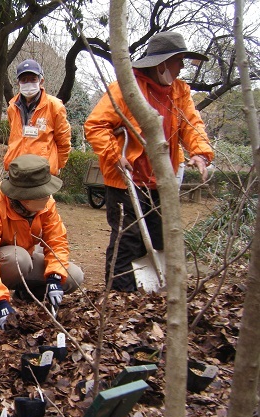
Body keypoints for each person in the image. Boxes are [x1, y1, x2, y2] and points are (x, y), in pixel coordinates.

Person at [84, 31, 214, 292]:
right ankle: (120, 296)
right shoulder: (126, 88)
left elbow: (192, 125)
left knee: (161, 235)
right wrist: (114, 155)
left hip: (161, 180)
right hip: (126, 180)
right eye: (179, 61)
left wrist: (200, 153)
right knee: (128, 237)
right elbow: (96, 125)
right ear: (163, 63)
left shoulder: (180, 91)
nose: (182, 67)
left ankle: (152, 292)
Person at [0, 155, 84, 329]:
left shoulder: (46, 204)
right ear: (25, 198)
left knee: (74, 276)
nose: (49, 197)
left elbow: (57, 241)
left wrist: (55, 277)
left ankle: (25, 296)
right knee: (18, 259)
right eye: (43, 194)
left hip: (24, 258)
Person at [3, 59, 71, 175]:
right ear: (18, 82)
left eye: (33, 79)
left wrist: (56, 165)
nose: (28, 83)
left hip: (42, 172)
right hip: (17, 170)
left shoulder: (55, 106)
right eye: (24, 80)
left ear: (41, 80)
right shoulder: (12, 107)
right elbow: (14, 137)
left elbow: (63, 142)